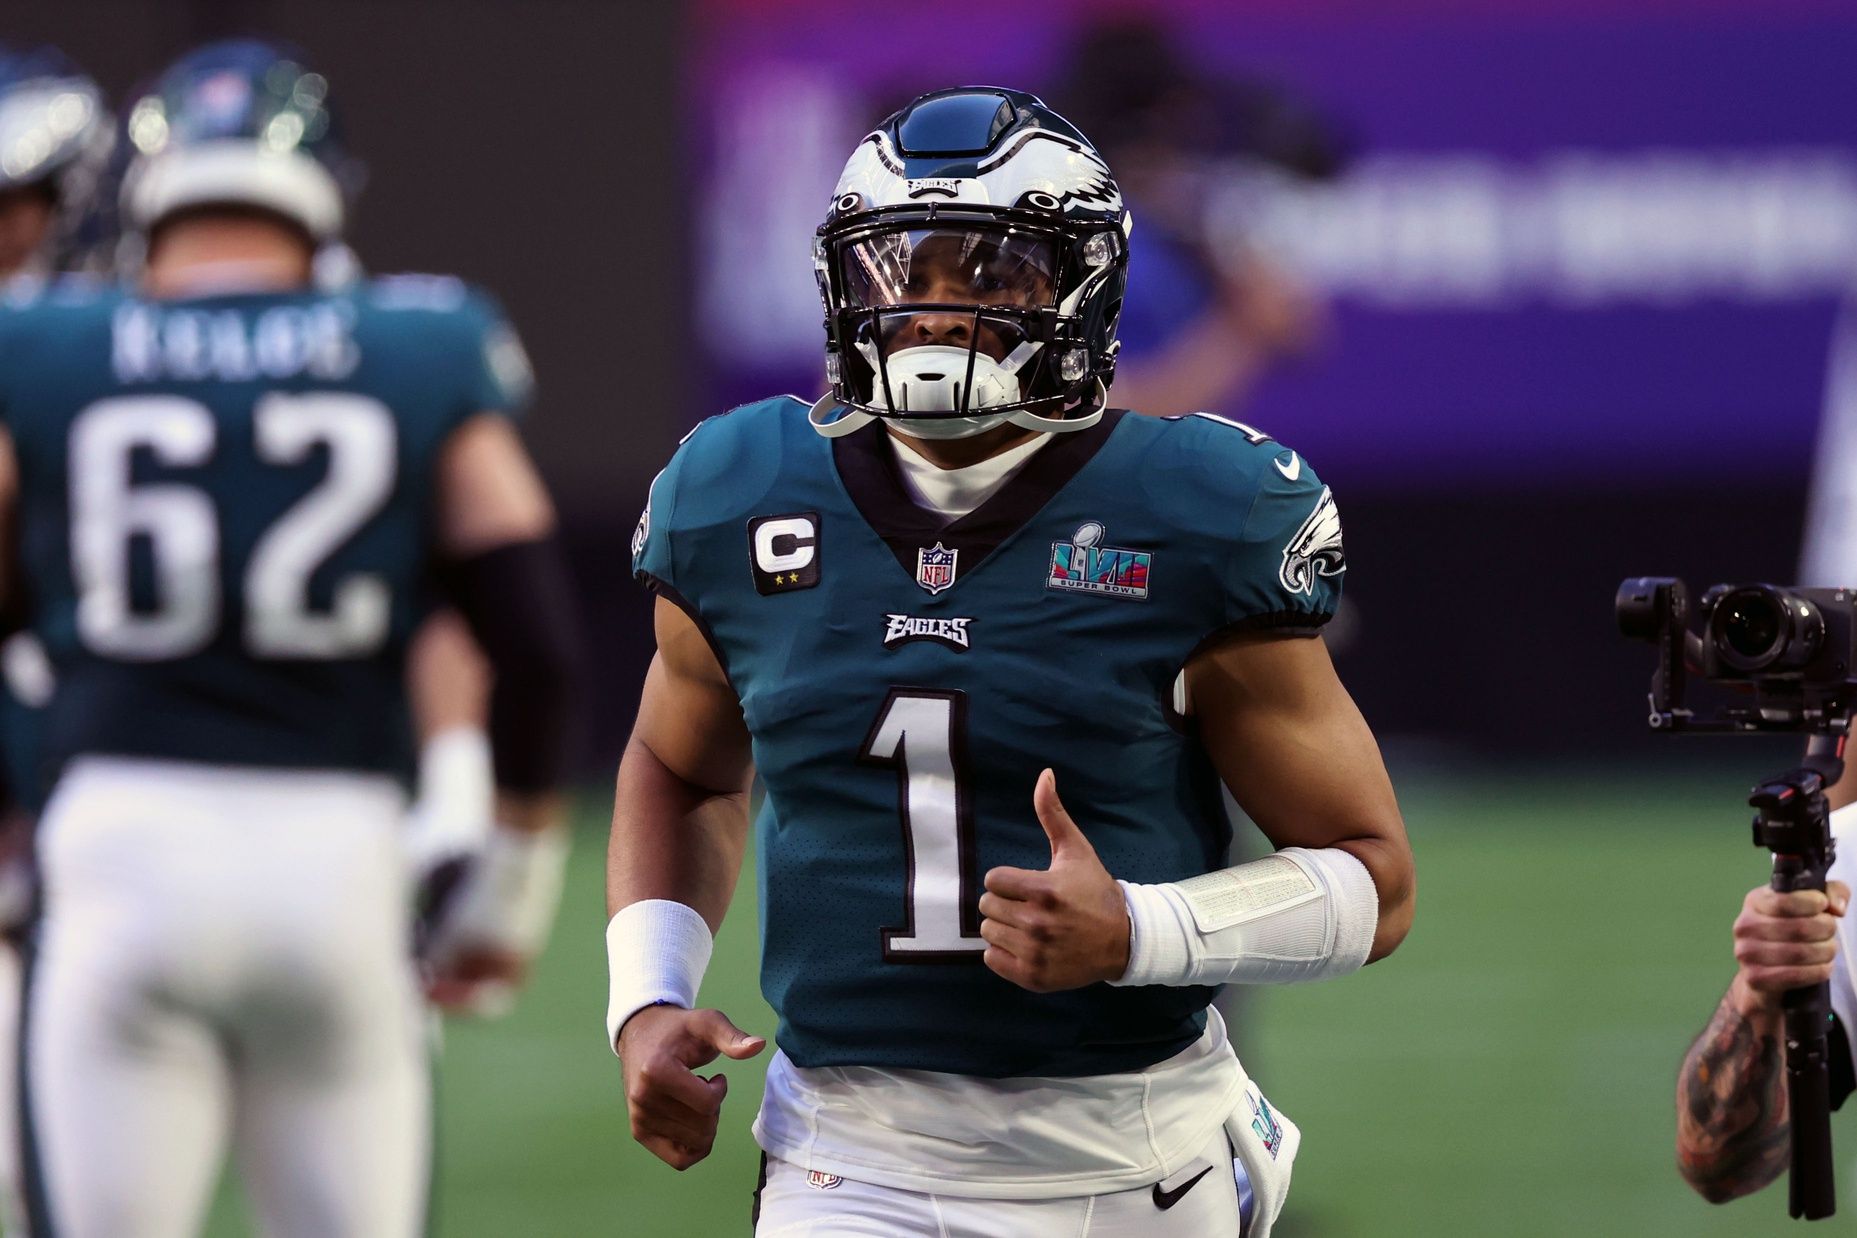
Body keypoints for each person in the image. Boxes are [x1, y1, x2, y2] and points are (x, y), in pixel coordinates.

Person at [606, 87, 1414, 1236]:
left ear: (1080, 284)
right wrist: (646, 993)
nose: (935, 313)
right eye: (904, 272)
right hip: (843, 1157)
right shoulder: (739, 489)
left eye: (990, 276)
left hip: (1127, 1158)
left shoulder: (1194, 508)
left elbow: (1375, 880)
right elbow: (678, 764)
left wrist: (1138, 929)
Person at [0, 39, 582, 1237]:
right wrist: (511, 879)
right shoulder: (420, 339)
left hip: (116, 850)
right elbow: (535, 639)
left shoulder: (42, 348)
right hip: (336, 857)